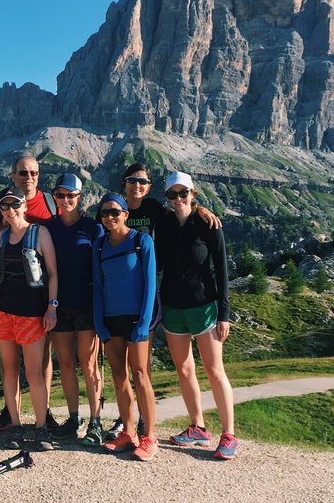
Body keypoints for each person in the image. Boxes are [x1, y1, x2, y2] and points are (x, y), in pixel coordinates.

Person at [104, 163, 222, 440]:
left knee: (141, 365)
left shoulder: (156, 209)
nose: (137, 186)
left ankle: (145, 422)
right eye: (132, 180)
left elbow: (181, 209)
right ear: (124, 183)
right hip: (118, 296)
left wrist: (201, 209)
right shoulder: (113, 208)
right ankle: (125, 422)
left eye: (143, 181)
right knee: (120, 369)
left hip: (148, 292)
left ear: (149, 186)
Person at [154, 172, 238, 460]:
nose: (178, 199)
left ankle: (229, 434)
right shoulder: (163, 224)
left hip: (205, 305)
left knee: (215, 371)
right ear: (166, 198)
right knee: (184, 369)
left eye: (183, 193)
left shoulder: (208, 223)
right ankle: (198, 428)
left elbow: (222, 270)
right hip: (173, 306)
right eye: (172, 195)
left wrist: (224, 314)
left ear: (193, 194)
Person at [0, 155, 59, 433]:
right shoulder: (4, 233)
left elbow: (52, 271)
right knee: (10, 369)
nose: (29, 177)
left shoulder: (42, 224)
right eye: (23, 172)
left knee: (38, 368)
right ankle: (15, 421)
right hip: (4, 307)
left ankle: (43, 421)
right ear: (13, 175)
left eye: (34, 172)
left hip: (35, 308)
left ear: (24, 205)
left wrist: (52, 305)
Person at [93, 193, 159, 461]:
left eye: (115, 212)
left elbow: (150, 285)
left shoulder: (141, 241)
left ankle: (150, 437)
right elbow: (98, 287)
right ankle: (128, 432)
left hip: (136, 319)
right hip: (111, 320)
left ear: (125, 214)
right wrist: (100, 324)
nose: (110, 217)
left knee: (141, 375)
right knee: (119, 376)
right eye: (105, 213)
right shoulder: (99, 246)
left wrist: (144, 323)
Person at [44, 174, 105, 446]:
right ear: (54, 197)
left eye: (71, 196)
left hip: (87, 304)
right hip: (58, 305)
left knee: (89, 364)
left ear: (80, 198)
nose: (66, 200)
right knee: (66, 364)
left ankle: (96, 422)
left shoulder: (93, 228)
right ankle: (73, 418)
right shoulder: (47, 228)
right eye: (61, 195)